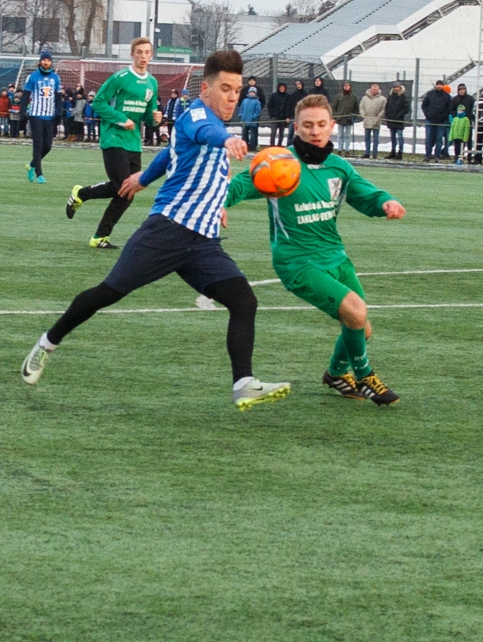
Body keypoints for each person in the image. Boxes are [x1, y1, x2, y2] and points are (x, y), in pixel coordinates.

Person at [21, 49, 291, 411]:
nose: (232, 97)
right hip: (167, 231)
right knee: (107, 292)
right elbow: (204, 133)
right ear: (207, 89)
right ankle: (47, 343)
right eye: (225, 89)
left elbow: (170, 152)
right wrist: (226, 140)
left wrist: (144, 178)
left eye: (237, 91)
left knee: (244, 301)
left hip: (204, 241)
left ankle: (243, 383)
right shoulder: (200, 116)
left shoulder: (211, 121)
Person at [224, 94, 406, 404]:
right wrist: (220, 202)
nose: (315, 131)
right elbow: (241, 183)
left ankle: (335, 374)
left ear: (332, 126)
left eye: (321, 124)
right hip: (297, 262)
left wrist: (384, 202)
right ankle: (365, 377)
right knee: (356, 311)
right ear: (296, 127)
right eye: (307, 125)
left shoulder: (338, 167)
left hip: (335, 256)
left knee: (362, 328)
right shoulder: (280, 164)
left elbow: (365, 194)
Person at [66, 37, 161, 247]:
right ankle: (96, 229)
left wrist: (154, 119)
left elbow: (146, 116)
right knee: (123, 186)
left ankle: (95, 226)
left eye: (147, 52)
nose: (143, 56)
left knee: (128, 191)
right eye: (139, 52)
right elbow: (98, 102)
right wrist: (121, 119)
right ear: (132, 54)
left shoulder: (152, 83)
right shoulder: (120, 77)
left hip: (133, 143)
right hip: (113, 138)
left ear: (151, 55)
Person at [19, 51, 63, 181]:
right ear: (40, 61)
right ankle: (39, 174)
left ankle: (31, 164)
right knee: (37, 144)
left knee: (47, 146)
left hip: (50, 116)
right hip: (35, 115)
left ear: (51, 62)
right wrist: (22, 111)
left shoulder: (55, 78)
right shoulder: (32, 77)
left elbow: (58, 97)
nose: (46, 62)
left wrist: (59, 113)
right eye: (44, 60)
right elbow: (26, 95)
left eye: (48, 60)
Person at [421, 79, 453, 162]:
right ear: (436, 85)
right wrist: (427, 115)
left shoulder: (446, 96)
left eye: (440, 85)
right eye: (437, 84)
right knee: (429, 138)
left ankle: (437, 156)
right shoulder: (430, 94)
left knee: (439, 139)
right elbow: (424, 105)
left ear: (443, 86)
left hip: (441, 121)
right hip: (430, 120)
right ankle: (427, 155)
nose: (439, 86)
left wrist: (443, 117)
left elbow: (449, 109)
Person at [331, 81, 360, 153]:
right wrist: (336, 116)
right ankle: (339, 149)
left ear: (350, 86)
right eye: (345, 85)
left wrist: (354, 116)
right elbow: (334, 107)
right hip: (340, 118)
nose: (346, 87)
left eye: (348, 85)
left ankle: (347, 150)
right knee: (340, 135)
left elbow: (356, 107)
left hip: (349, 119)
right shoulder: (339, 96)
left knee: (348, 136)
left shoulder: (353, 96)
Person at [359, 84, 386, 159]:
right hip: (367, 121)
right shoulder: (364, 98)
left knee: (376, 139)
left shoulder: (382, 99)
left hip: (376, 121)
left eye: (376, 90)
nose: (374, 91)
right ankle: (367, 153)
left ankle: (375, 153)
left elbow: (383, 109)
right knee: (367, 138)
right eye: (373, 89)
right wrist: (364, 116)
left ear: (378, 90)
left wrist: (378, 117)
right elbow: (361, 107)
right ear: (370, 90)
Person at [448, 87, 473, 165]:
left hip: (466, 123)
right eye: (460, 90)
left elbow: (472, 109)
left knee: (468, 141)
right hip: (458, 125)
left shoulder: (470, 99)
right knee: (457, 143)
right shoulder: (455, 99)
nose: (462, 91)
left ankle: (469, 157)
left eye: (463, 90)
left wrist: (468, 117)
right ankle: (457, 157)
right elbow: (451, 109)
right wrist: (455, 116)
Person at [384, 83, 409, 159]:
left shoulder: (403, 97)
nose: (396, 89)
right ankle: (393, 151)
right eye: (394, 87)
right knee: (392, 137)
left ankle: (400, 152)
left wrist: (398, 115)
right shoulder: (391, 97)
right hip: (391, 120)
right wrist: (388, 115)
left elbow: (406, 109)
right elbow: (387, 107)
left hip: (399, 121)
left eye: (397, 87)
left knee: (400, 137)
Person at [238, 84, 263, 151]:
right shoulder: (244, 101)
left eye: (253, 92)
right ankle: (245, 146)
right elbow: (241, 108)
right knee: (244, 134)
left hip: (252, 121)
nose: (252, 93)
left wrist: (254, 117)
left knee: (253, 135)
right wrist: (241, 115)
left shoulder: (257, 102)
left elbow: (258, 111)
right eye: (251, 92)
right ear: (248, 92)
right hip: (244, 120)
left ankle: (252, 147)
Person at [267, 83, 292, 147]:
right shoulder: (273, 95)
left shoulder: (288, 96)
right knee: (273, 132)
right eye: (280, 87)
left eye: (283, 87)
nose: (282, 88)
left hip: (283, 118)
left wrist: (287, 116)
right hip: (275, 117)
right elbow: (269, 106)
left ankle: (279, 145)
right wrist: (272, 115)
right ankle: (272, 145)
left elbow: (289, 107)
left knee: (281, 133)